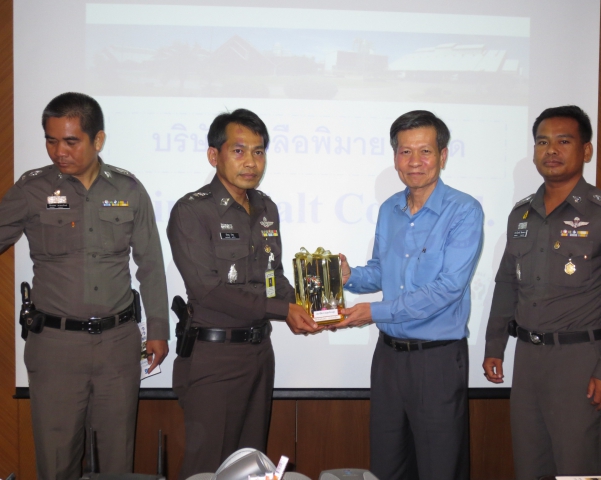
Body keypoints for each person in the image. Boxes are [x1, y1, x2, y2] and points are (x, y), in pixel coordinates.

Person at [0, 92, 169, 479]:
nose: (59, 151)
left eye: (70, 141)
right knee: (56, 461)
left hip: (117, 345)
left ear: (98, 139)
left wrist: (158, 330)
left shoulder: (128, 189)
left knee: (117, 462)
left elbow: (151, 264)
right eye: (51, 140)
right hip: (55, 347)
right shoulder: (32, 189)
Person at [483, 105, 601, 480]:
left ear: (586, 150)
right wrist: (494, 345)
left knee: (577, 468)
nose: (550, 150)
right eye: (542, 142)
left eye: (563, 141)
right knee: (530, 466)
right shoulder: (521, 214)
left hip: (579, 362)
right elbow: (507, 283)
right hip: (528, 359)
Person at [167, 108, 320, 478]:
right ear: (214, 155)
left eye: (258, 151)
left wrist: (309, 305)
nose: (251, 162)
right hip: (214, 358)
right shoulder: (192, 211)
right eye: (239, 151)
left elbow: (273, 276)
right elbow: (208, 291)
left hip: (259, 355)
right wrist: (283, 310)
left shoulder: (266, 207)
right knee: (208, 469)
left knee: (250, 467)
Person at [336, 110, 484, 480]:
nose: (414, 161)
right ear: (395, 157)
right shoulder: (390, 208)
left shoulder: (463, 210)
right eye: (405, 152)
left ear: (442, 155)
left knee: (439, 467)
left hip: (437, 360)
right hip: (388, 359)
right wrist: (350, 276)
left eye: (425, 151)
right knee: (388, 464)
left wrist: (375, 312)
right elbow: (381, 270)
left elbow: (447, 288)